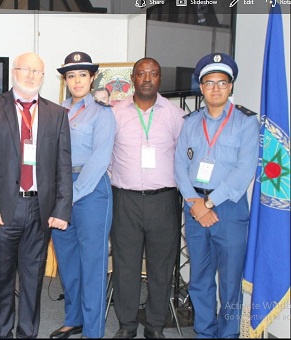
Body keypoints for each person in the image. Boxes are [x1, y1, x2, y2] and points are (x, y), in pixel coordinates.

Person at [0, 52, 73, 338]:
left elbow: (62, 165)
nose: (31, 75)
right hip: (4, 208)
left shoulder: (57, 114)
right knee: (2, 279)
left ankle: (27, 333)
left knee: (33, 279)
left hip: (40, 209)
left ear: (44, 77)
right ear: (14, 72)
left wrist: (62, 208)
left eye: (37, 71)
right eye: (25, 69)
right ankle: (2, 333)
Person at [174, 53, 259, 338]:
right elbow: (179, 166)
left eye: (222, 82)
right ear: (201, 86)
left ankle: (229, 334)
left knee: (230, 282)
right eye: (209, 83)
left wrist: (209, 203)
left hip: (230, 209)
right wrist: (195, 203)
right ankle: (205, 332)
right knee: (200, 278)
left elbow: (244, 170)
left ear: (231, 86)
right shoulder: (190, 122)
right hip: (194, 206)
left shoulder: (246, 122)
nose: (215, 88)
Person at [109, 57, 185, 339]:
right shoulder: (115, 113)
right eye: (142, 74)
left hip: (163, 201)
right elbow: (106, 156)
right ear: (133, 78)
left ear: (160, 79)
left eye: (153, 74)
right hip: (125, 200)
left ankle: (154, 326)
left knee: (161, 267)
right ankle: (127, 325)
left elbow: (183, 156)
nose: (147, 79)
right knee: (125, 266)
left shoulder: (175, 115)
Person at [50, 52, 115, 339]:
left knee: (92, 263)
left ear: (92, 78)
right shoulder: (54, 111)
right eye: (71, 75)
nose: (77, 80)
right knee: (67, 260)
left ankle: (93, 330)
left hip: (90, 189)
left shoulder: (102, 112)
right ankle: (73, 318)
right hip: (60, 187)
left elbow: (101, 158)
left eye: (83, 75)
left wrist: (71, 194)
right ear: (65, 80)